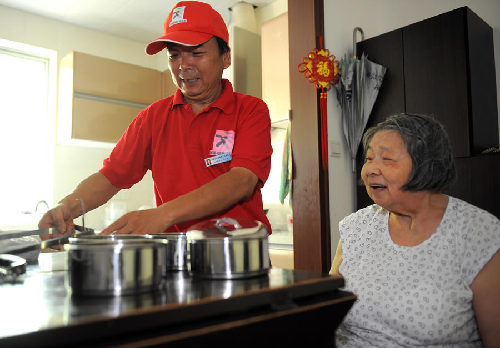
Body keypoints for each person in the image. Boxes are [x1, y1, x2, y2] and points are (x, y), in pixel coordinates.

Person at [38, 1, 272, 235]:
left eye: (196, 53)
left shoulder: (251, 110)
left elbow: (241, 180)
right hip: (177, 255)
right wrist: (65, 208)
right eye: (174, 55)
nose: (183, 66)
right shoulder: (153, 118)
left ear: (225, 57)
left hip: (241, 253)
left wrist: (163, 214)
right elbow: (111, 177)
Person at [330, 113, 500, 347]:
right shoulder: (355, 228)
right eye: (369, 158)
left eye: (387, 159)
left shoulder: (479, 234)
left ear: (426, 166)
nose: (370, 169)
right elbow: (325, 311)